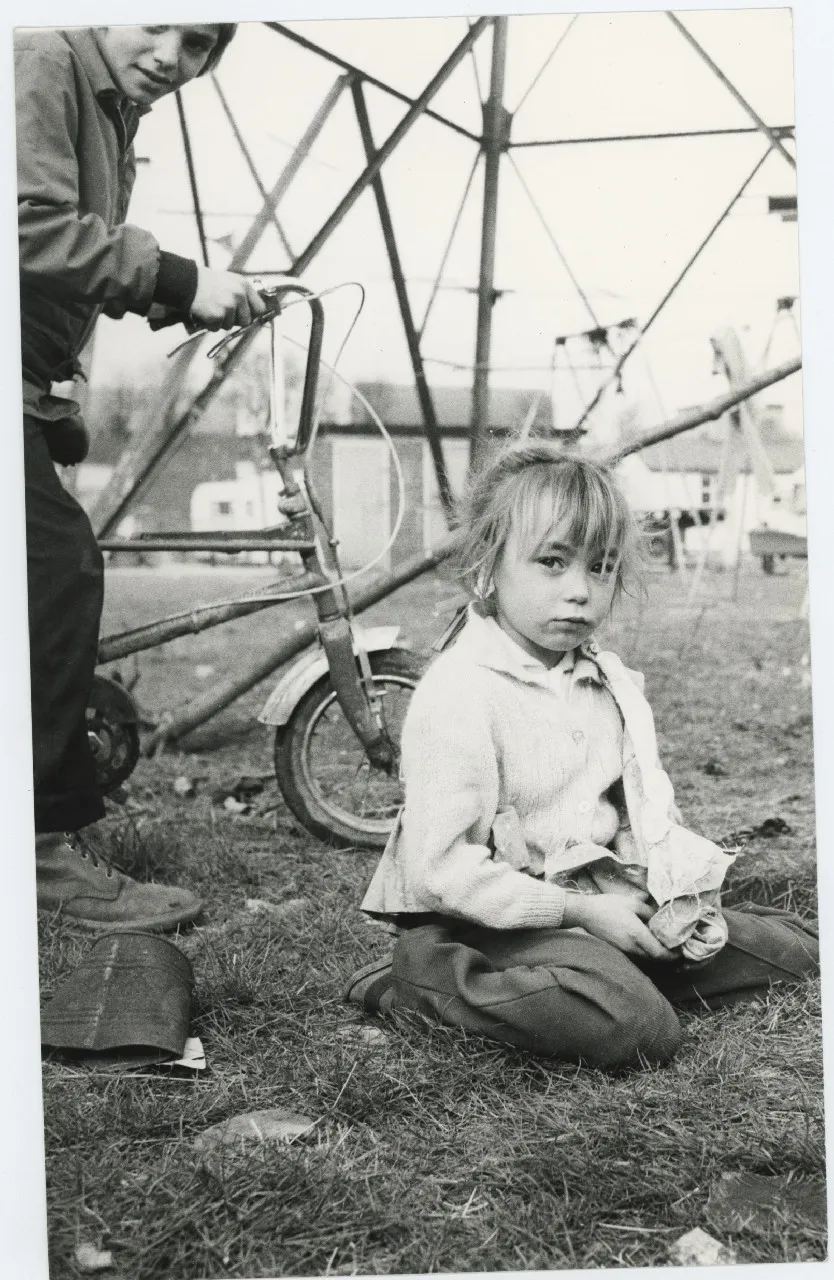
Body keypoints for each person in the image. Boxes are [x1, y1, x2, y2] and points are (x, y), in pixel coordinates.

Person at [345, 444, 819, 1069]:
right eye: (551, 563)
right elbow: (442, 869)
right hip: (491, 922)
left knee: (803, 956)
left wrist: (676, 899)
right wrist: (579, 912)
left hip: (601, 901)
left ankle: (617, 970)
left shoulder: (608, 679)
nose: (579, 591)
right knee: (639, 1030)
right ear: (488, 569)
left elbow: (642, 811)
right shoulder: (460, 692)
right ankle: (415, 982)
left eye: (600, 568)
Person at [17, 24, 268, 931]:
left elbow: (63, 268)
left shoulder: (113, 109)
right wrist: (174, 274)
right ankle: (36, 851)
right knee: (55, 576)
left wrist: (188, 292)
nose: (172, 53)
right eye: (155, 22)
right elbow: (25, 228)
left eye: (199, 44)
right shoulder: (40, 60)